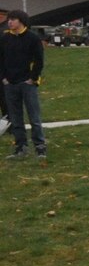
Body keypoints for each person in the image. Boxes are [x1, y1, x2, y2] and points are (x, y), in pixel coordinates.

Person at [2, 10, 47, 161]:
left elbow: (39, 59)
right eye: (9, 19)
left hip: (27, 83)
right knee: (16, 119)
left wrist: (33, 78)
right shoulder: (5, 38)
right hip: (10, 84)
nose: (9, 22)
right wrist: (3, 78)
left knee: (34, 116)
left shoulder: (32, 38)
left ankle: (40, 147)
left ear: (21, 21)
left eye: (13, 19)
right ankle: (21, 147)